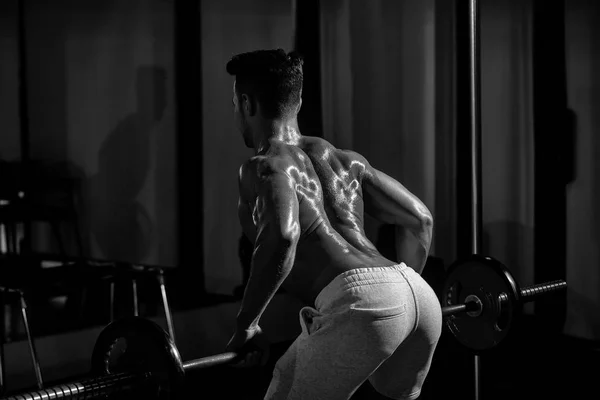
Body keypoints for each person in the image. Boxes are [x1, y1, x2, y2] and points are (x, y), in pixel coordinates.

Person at [224, 49, 442, 400]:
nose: (235, 113)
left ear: (247, 104)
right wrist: (401, 297)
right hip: (419, 295)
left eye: (234, 103)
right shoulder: (345, 161)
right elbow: (420, 220)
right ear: (297, 101)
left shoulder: (264, 166)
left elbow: (282, 235)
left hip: (362, 302)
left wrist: (247, 324)